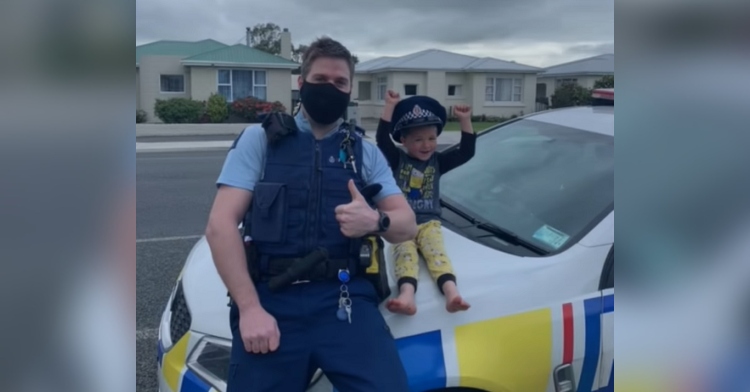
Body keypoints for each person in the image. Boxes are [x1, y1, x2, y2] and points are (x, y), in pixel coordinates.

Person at [205, 37, 417, 392]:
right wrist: (250, 308)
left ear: (350, 89)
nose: (329, 89)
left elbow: (406, 224)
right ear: (301, 84)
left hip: (343, 300)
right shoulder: (259, 141)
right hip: (272, 298)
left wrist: (375, 222)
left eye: (340, 83)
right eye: (320, 80)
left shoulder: (365, 153)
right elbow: (220, 226)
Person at [375, 90, 476, 315]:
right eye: (418, 139)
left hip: (430, 222)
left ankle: (452, 294)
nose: (426, 145)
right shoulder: (397, 159)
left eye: (431, 138)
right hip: (403, 223)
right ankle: (406, 297)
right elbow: (382, 139)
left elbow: (466, 153)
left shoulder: (437, 161)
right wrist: (390, 105)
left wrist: (465, 120)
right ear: (403, 140)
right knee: (404, 255)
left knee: (436, 254)